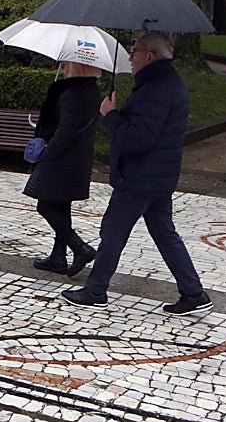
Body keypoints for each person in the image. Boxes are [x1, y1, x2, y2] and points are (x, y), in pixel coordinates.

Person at [61, 33, 212, 315]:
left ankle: (95, 290)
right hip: (158, 176)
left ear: (150, 56)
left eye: (134, 51)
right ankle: (193, 292)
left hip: (140, 177)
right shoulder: (164, 83)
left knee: (113, 231)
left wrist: (111, 115)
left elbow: (138, 139)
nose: (130, 57)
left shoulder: (155, 90)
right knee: (165, 233)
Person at [24, 61, 103, 277]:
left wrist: (48, 154)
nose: (63, 65)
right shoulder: (93, 90)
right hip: (79, 158)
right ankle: (58, 257)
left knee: (46, 206)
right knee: (61, 206)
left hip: (61, 159)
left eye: (67, 63)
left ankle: (80, 248)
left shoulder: (71, 93)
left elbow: (65, 130)